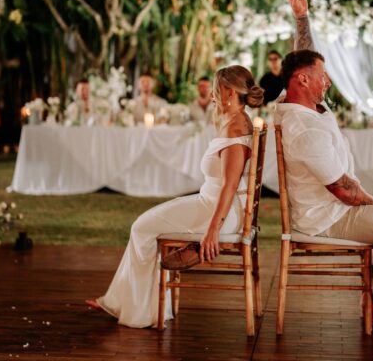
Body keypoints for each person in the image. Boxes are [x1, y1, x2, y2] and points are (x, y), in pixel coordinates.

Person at [275, 0, 373, 333]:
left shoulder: (299, 102)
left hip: (334, 209)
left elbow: (304, 55)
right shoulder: (303, 128)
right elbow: (343, 190)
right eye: (322, 76)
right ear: (303, 80)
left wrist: (301, 16)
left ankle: (369, 299)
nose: (328, 81)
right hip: (326, 218)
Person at [89, 66, 265, 327]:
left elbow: (229, 185)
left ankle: (139, 313)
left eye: (216, 91)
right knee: (145, 224)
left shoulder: (236, 129)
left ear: (228, 92)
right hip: (214, 204)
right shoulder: (238, 121)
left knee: (141, 227)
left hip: (218, 212)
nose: (213, 97)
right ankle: (128, 303)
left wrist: (212, 230)